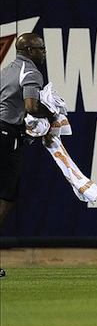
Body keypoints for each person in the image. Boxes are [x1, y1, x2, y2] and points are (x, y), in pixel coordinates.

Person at [0, 33, 55, 278]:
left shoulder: (7, 70)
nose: (44, 53)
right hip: (6, 135)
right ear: (30, 50)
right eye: (41, 48)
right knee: (6, 197)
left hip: (6, 130)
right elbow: (32, 106)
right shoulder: (30, 71)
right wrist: (51, 115)